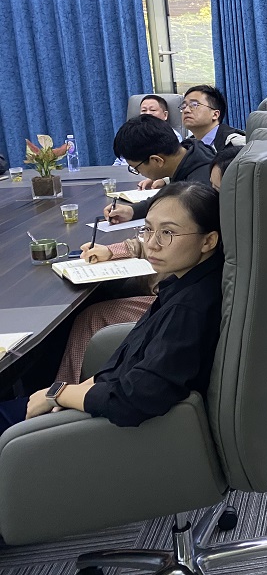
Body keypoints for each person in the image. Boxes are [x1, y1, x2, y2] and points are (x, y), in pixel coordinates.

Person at [0, 182, 225, 434]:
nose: (152, 244)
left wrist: (58, 394)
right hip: (98, 397)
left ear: (208, 240)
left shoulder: (189, 309)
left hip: (108, 428)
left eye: (167, 233)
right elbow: (130, 362)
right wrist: (72, 391)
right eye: (148, 229)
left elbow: (135, 397)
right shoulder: (182, 285)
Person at [55, 146, 240, 384]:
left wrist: (64, 396)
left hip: (168, 296)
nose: (212, 197)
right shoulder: (233, 220)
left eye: (217, 190)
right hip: (167, 291)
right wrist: (111, 251)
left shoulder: (224, 238)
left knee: (92, 315)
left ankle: (64, 387)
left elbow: (141, 389)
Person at [104, 116, 215, 223]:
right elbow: (164, 199)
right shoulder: (188, 155)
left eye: (136, 168)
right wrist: (132, 211)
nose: (138, 172)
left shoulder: (200, 185)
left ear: (157, 160)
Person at [180, 84, 244, 152]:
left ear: (215, 115)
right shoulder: (186, 146)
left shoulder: (236, 143)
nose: (186, 110)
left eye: (194, 105)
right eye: (184, 106)